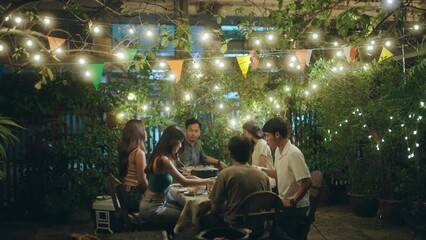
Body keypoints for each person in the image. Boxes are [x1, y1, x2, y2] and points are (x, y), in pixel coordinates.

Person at [140, 125, 213, 224]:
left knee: (186, 210)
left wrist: (197, 178)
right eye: (179, 142)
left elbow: (181, 176)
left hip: (154, 202)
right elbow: (184, 182)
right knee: (189, 216)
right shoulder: (163, 160)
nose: (180, 146)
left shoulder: (161, 157)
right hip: (152, 208)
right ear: (171, 141)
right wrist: (210, 181)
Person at [203, 135, 271, 228]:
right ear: (250, 153)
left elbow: (216, 208)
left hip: (234, 226)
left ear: (231, 154)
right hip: (258, 226)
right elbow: (268, 203)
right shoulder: (263, 175)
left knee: (204, 219)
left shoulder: (226, 174)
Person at [261, 117, 312, 239]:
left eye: (267, 136)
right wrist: (261, 170)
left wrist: (292, 202)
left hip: (296, 206)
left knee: (269, 224)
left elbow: (307, 182)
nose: (266, 140)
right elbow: (278, 173)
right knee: (265, 214)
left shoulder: (293, 153)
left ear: (277, 135)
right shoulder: (279, 151)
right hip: (284, 200)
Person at [119, 119, 148, 213]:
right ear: (139, 133)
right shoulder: (138, 153)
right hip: (136, 196)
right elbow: (142, 181)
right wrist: (152, 194)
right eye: (144, 129)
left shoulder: (127, 151)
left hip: (128, 194)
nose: (146, 132)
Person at [243, 120, 276, 189]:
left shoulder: (262, 143)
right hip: (260, 180)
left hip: (267, 181)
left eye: (245, 132)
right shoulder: (255, 145)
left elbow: (262, 166)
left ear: (250, 132)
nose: (244, 135)